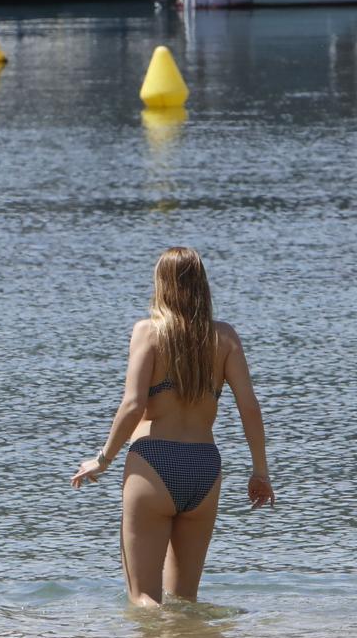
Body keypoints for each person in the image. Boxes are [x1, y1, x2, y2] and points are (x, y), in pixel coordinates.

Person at [71, 247, 272, 606]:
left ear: (161, 284)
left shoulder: (148, 332)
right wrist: (260, 472)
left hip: (154, 462)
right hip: (204, 468)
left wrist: (102, 460)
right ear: (202, 285)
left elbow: (133, 406)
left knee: (144, 599)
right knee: (185, 602)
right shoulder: (224, 337)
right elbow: (250, 408)